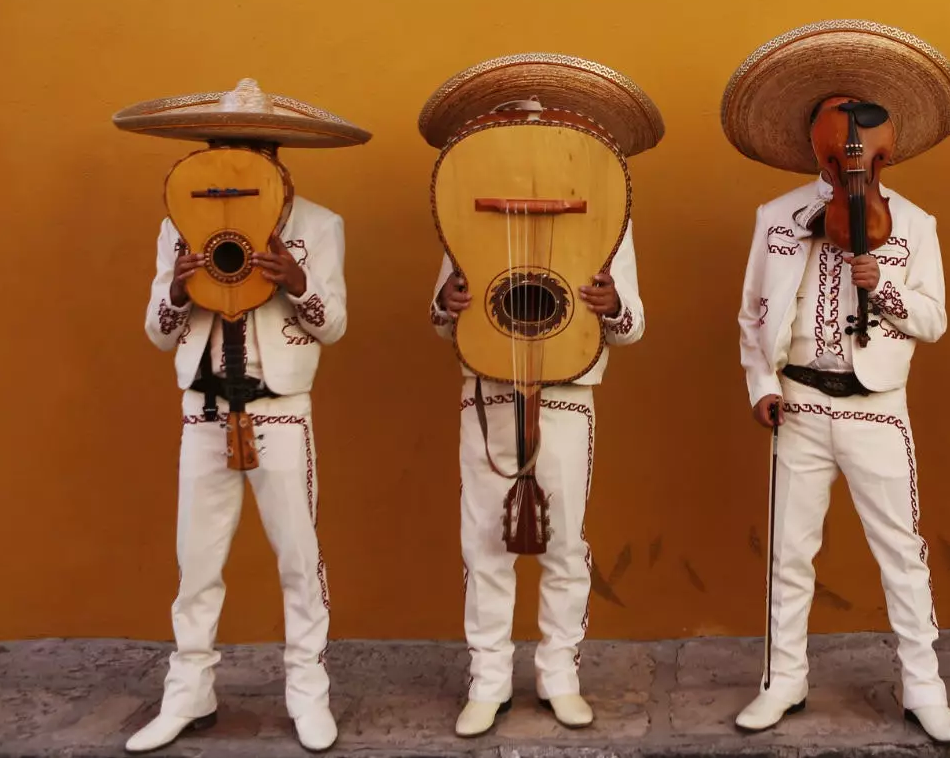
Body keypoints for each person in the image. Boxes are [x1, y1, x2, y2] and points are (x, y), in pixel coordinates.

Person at [720, 21, 950, 744]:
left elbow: (934, 319)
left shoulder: (916, 225)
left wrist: (883, 285)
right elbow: (750, 314)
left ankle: (924, 688)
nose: (849, 155)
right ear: (813, 146)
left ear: (884, 146)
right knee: (789, 549)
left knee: (902, 551)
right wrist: (759, 382)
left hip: (877, 409)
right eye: (835, 143)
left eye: (862, 142)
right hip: (797, 401)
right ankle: (783, 679)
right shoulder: (777, 217)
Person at [113, 79, 370, 754]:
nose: (234, 160)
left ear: (277, 155)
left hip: (279, 412)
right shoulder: (179, 221)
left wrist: (296, 282)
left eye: (250, 147)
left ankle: (307, 690)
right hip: (202, 411)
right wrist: (175, 286)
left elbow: (335, 326)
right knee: (195, 563)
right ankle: (188, 689)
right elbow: (158, 332)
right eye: (222, 146)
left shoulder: (318, 225)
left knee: (298, 557)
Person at [415, 54, 662, 738]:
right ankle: (488, 681)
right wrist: (451, 297)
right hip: (487, 390)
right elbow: (442, 318)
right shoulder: (467, 206)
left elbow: (633, 324)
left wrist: (613, 303)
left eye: (547, 127)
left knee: (564, 543)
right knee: (484, 543)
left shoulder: (606, 210)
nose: (534, 136)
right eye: (518, 127)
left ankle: (560, 675)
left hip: (567, 393)